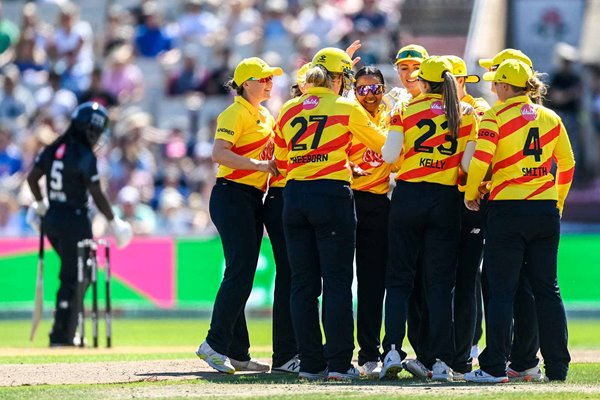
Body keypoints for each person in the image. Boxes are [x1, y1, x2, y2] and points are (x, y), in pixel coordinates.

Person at [274, 47, 386, 381]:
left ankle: (310, 364)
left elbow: (280, 161)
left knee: (302, 285)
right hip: (331, 195)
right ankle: (338, 364)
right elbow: (383, 145)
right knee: (337, 282)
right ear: (338, 78)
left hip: (293, 197)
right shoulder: (346, 106)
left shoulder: (288, 109)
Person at [463, 59, 575, 383]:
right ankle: (556, 367)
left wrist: (472, 194)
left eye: (496, 82)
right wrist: (558, 201)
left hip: (508, 211)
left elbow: (481, 160)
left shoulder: (495, 117)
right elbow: (566, 163)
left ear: (504, 86)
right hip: (544, 211)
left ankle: (494, 367)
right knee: (547, 290)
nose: (493, 87)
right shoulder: (551, 116)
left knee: (501, 291)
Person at [380, 56, 477, 382]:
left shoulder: (404, 109)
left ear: (423, 81)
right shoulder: (466, 113)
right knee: (439, 286)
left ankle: (392, 350)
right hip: (445, 200)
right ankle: (440, 362)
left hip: (408, 198)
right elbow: (467, 165)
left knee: (398, 280)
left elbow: (389, 156)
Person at [195, 57, 281, 374]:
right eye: (264, 79)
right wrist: (259, 166)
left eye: (271, 79)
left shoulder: (264, 114)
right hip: (232, 194)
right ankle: (214, 344)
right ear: (247, 83)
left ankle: (238, 353)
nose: (270, 83)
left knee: (240, 272)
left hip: (248, 197)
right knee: (240, 273)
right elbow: (219, 153)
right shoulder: (234, 112)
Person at [26, 101, 132, 347]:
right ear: (89, 130)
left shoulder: (53, 148)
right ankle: (61, 334)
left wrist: (41, 205)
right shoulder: (84, 154)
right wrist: (114, 221)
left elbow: (32, 178)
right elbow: (95, 192)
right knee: (77, 275)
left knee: (75, 272)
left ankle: (64, 328)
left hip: (52, 219)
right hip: (74, 220)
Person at [442, 55, 490, 378]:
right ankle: (445, 350)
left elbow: (472, 163)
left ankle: (469, 346)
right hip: (446, 201)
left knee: (469, 277)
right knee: (443, 277)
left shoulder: (480, 109)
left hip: (469, 202)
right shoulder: (433, 109)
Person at [347, 66, 393, 379]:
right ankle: (330, 352)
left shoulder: (393, 113)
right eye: (362, 88)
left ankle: (369, 353)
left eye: (375, 88)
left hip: (377, 202)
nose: (369, 95)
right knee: (333, 281)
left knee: (372, 283)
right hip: (345, 199)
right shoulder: (345, 113)